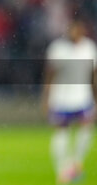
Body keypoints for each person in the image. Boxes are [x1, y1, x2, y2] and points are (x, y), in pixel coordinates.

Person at [42, 21, 97, 184]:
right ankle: (62, 170)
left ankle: (76, 163)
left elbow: (94, 76)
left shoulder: (89, 47)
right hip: (61, 98)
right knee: (61, 133)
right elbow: (49, 75)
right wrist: (46, 97)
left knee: (86, 129)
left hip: (83, 97)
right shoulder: (58, 48)